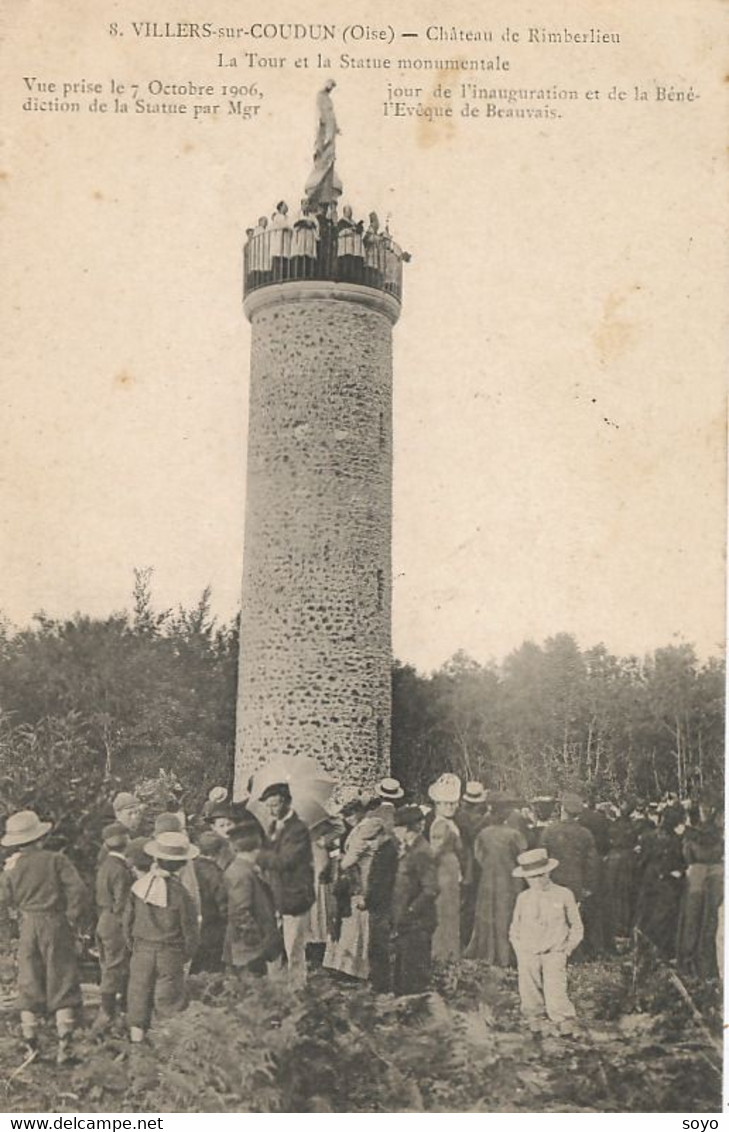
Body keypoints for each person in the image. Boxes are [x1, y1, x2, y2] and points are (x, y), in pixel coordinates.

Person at [0, 810, 86, 1065]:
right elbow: (78, 891)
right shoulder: (56, 860)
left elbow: (2, 897)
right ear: (40, 837)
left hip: (27, 924)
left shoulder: (12, 866)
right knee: (62, 976)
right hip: (56, 923)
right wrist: (71, 918)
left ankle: (31, 1046)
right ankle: (65, 1047)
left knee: (29, 978)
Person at [123, 831, 200, 1043]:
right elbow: (190, 929)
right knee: (169, 1000)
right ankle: (166, 1051)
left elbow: (127, 921)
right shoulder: (182, 894)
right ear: (183, 864)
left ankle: (137, 1047)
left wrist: (134, 945)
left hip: (142, 950)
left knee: (138, 995)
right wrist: (186, 953)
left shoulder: (139, 888)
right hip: (170, 952)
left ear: (156, 858)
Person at [509, 848, 584, 1035]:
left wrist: (566, 950)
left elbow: (577, 927)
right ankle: (535, 1020)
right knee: (530, 995)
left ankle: (564, 1021)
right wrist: (519, 948)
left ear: (549, 872)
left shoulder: (563, 894)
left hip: (554, 952)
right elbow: (514, 927)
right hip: (528, 952)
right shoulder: (523, 898)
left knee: (556, 994)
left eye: (540, 875)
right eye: (531, 877)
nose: (536, 880)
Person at [257, 782, 315, 984]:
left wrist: (259, 855)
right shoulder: (274, 827)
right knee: (274, 946)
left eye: (274, 805)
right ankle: (279, 989)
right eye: (268, 805)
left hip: (294, 895)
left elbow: (285, 860)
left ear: (287, 803)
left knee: (294, 948)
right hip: (276, 894)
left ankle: (299, 990)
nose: (270, 810)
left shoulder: (298, 829)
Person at [465, 802, 527, 965]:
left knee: (488, 912)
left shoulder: (484, 833)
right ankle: (507, 954)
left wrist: (488, 866)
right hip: (510, 879)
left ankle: (488, 951)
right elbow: (522, 857)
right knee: (508, 913)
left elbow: (478, 855)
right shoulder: (515, 834)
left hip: (489, 879)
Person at [539, 793, 599, 957]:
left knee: (553, 914)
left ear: (562, 809)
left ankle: (553, 947)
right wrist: (589, 886)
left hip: (554, 879)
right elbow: (592, 863)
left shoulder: (549, 831)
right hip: (576, 881)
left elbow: (542, 857)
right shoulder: (585, 834)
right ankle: (574, 952)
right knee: (574, 916)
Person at [391, 806, 439, 996]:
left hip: (417, 922)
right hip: (407, 921)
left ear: (406, 828)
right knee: (404, 971)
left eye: (398, 827)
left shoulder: (421, 851)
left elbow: (431, 889)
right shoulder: (411, 848)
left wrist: (411, 910)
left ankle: (418, 1014)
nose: (395, 831)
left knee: (414, 974)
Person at [677, 789, 723, 978]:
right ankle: (709, 966)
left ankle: (689, 964)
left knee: (691, 920)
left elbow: (686, 855)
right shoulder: (720, 834)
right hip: (717, 877)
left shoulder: (690, 835)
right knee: (711, 920)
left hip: (696, 877)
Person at [224, 823, 282, 976]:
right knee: (252, 990)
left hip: (249, 948)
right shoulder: (241, 873)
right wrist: (258, 941)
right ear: (257, 848)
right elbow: (240, 912)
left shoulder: (244, 869)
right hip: (247, 950)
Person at [93, 821, 133, 1032]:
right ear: (126, 840)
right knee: (116, 966)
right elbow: (122, 903)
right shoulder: (120, 870)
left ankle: (111, 1012)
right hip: (115, 922)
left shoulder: (104, 865)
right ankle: (108, 1014)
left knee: (109, 964)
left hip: (104, 919)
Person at [635, 804, 686, 959]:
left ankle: (643, 948)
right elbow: (680, 862)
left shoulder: (647, 836)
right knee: (664, 915)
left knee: (646, 912)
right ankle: (660, 951)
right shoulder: (677, 840)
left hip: (649, 878)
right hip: (667, 880)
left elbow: (642, 860)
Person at [427, 773, 463, 961]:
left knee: (450, 911)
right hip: (444, 871)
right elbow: (434, 852)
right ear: (437, 804)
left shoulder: (449, 823)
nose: (451, 807)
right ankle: (443, 953)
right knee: (445, 912)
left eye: (453, 803)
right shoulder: (441, 825)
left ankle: (449, 952)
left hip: (450, 869)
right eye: (446, 803)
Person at [455, 781, 489, 946]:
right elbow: (472, 834)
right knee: (468, 903)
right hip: (468, 863)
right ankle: (464, 939)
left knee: (469, 902)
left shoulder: (463, 814)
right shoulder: (463, 816)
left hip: (469, 862)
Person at [190, 831, 228, 974]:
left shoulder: (189, 868)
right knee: (213, 970)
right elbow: (224, 905)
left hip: (193, 926)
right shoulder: (216, 874)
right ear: (219, 852)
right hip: (213, 929)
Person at [290, 201, 319, 280]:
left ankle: (308, 276)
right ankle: (298, 277)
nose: (306, 206)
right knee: (299, 256)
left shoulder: (312, 216)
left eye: (307, 204)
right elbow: (293, 225)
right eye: (305, 204)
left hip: (309, 237)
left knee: (308, 256)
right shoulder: (297, 215)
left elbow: (316, 225)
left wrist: (311, 225)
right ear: (301, 205)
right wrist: (304, 223)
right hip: (300, 237)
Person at [336, 204, 364, 282]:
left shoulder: (353, 222)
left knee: (351, 262)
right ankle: (343, 278)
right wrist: (350, 230)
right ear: (344, 212)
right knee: (345, 261)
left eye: (351, 211)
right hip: (344, 245)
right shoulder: (341, 222)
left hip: (352, 247)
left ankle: (351, 278)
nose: (350, 213)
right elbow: (339, 233)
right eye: (348, 211)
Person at [269, 200, 292, 281]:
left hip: (285, 243)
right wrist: (289, 227)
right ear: (280, 207)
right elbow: (285, 225)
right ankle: (277, 279)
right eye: (285, 206)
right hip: (278, 244)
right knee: (278, 262)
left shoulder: (287, 217)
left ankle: (284, 279)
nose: (287, 208)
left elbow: (290, 226)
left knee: (285, 262)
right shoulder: (278, 217)